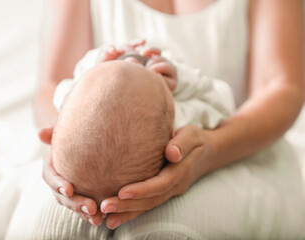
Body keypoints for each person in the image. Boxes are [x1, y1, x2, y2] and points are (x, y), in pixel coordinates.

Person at [34, 0, 305, 237]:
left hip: (237, 149)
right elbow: (55, 86)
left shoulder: (187, 110)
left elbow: (279, 87)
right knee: (56, 225)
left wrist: (211, 149)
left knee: (168, 228)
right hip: (94, 161)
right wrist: (64, 145)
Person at [51, 43, 234, 207]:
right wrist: (182, 80)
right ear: (172, 129)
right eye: (144, 70)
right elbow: (224, 101)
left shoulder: (71, 101)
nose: (132, 58)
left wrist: (98, 62)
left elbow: (63, 89)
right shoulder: (183, 116)